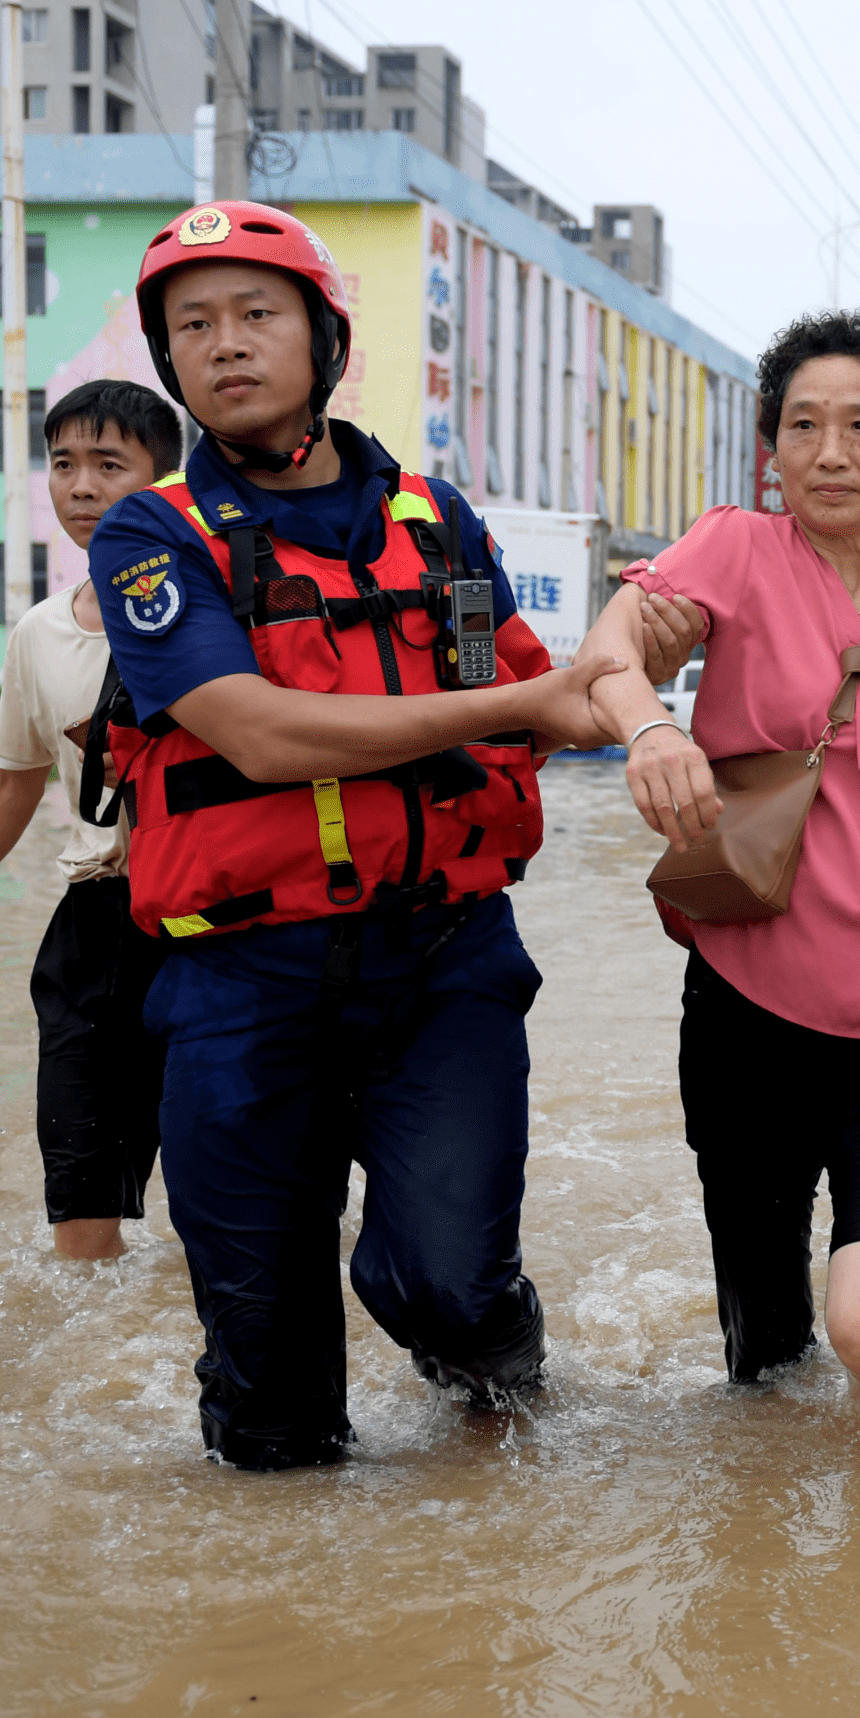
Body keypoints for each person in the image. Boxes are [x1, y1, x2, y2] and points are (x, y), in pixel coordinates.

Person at [88, 200, 624, 1470]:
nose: (226, 346)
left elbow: (541, 697)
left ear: (327, 337)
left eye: (257, 316)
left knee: (448, 1286)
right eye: (193, 327)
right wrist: (513, 703)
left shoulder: (442, 528)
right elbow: (260, 737)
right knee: (271, 1412)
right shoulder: (150, 535)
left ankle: (498, 1395)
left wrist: (634, 712)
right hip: (237, 983)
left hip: (440, 962)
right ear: (170, 363)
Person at [576, 309, 860, 1411]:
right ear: (771, 450)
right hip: (747, 1005)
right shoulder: (732, 547)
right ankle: (773, 1562)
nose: (829, 453)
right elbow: (608, 651)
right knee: (764, 1352)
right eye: (803, 427)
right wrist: (652, 728)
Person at [0, 381, 180, 1258]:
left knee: (222, 1187)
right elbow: (11, 783)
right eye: (65, 463)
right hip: (95, 921)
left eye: (109, 465)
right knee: (78, 1184)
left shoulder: (216, 613)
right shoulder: (39, 632)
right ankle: (95, 1363)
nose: (80, 486)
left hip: (213, 918)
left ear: (163, 481)